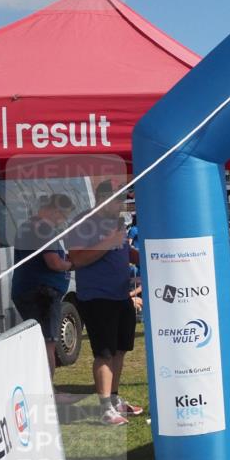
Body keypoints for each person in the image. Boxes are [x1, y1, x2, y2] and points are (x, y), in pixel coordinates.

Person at [67, 180, 144, 425]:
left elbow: (124, 251)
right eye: (117, 200)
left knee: (120, 350)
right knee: (104, 352)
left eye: (123, 200)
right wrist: (108, 242)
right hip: (97, 297)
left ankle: (114, 399)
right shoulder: (83, 222)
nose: (121, 204)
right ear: (102, 199)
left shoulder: (117, 223)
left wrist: (151, 257)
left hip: (121, 295)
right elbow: (77, 258)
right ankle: (104, 409)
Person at [11, 194, 76, 377]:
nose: (63, 220)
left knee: (39, 342)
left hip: (28, 290)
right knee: (48, 343)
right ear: (55, 211)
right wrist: (71, 264)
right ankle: (48, 391)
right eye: (63, 215)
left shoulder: (27, 226)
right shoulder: (44, 229)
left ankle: (42, 386)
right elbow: (54, 263)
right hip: (42, 295)